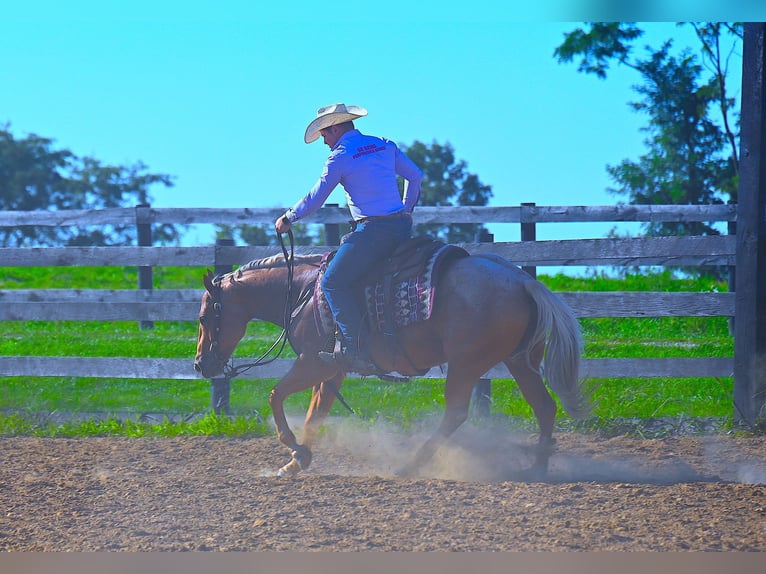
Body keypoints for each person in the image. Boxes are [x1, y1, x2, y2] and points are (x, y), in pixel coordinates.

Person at [275, 103, 423, 374]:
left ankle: (357, 349)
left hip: (372, 233)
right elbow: (415, 176)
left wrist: (288, 218)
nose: (324, 142)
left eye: (325, 135)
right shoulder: (384, 145)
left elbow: (316, 198)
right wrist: (407, 210)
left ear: (335, 128)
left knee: (332, 282)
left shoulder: (340, 157)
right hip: (401, 229)